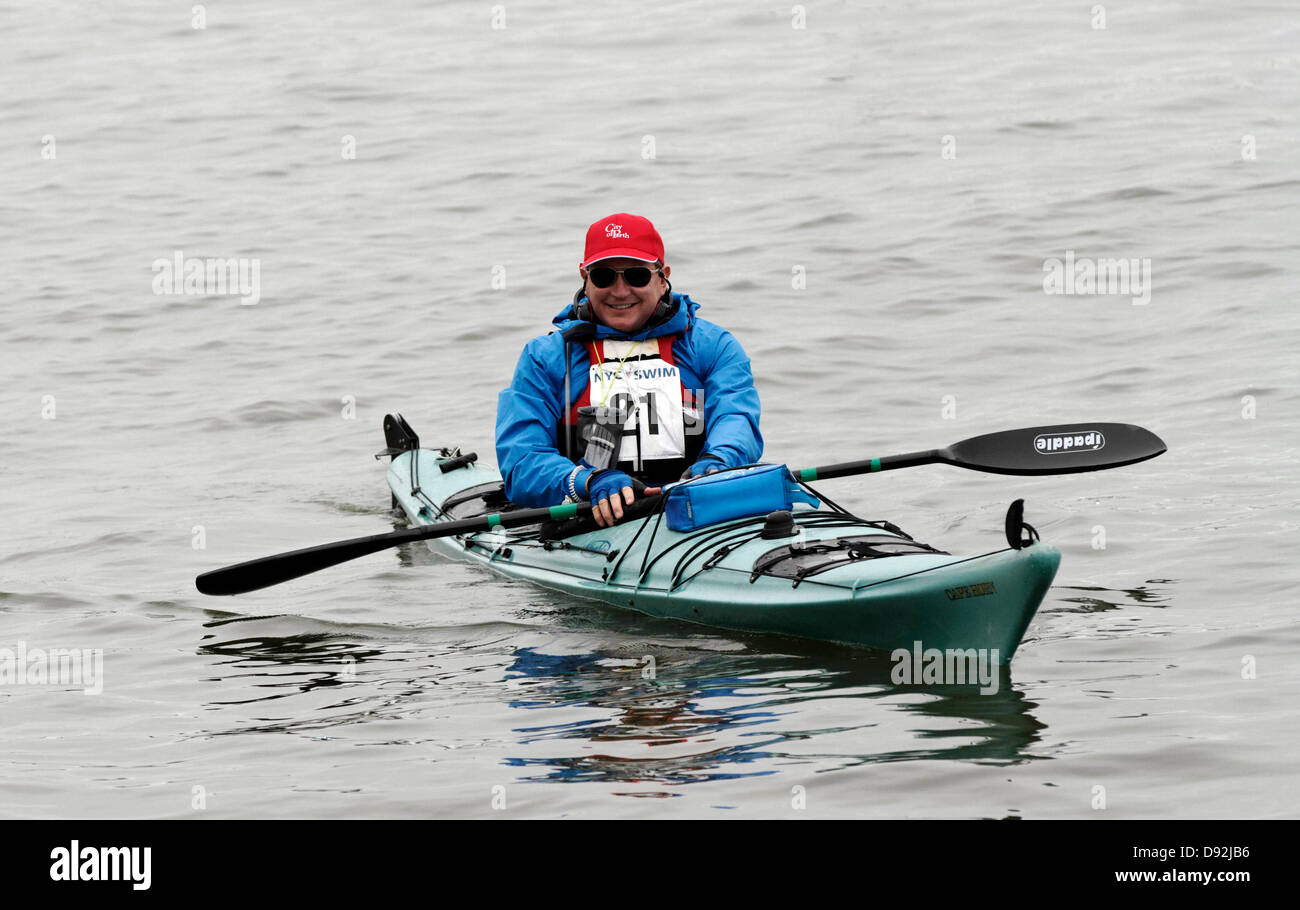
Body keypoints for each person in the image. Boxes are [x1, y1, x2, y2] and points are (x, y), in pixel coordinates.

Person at [495, 213, 763, 527]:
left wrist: (720, 462)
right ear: (585, 278)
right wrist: (588, 480)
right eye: (604, 276)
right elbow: (521, 459)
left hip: (698, 510)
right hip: (588, 519)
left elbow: (736, 418)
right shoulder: (546, 357)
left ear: (662, 278)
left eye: (637, 275)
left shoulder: (712, 346)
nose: (620, 291)